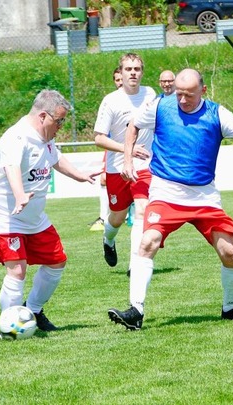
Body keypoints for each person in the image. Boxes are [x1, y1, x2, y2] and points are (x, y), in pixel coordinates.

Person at [108, 68, 233, 330]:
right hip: (166, 192)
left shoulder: (217, 113)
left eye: (189, 95)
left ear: (203, 91)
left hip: (204, 196)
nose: (182, 100)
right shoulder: (161, 105)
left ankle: (229, 309)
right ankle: (135, 311)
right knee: (147, 241)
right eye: (179, 94)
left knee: (230, 254)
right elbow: (133, 126)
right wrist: (126, 160)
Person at [0, 89, 98, 334]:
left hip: (34, 217)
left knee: (57, 262)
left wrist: (79, 175)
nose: (61, 126)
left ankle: (33, 310)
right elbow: (11, 166)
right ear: (43, 116)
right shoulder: (16, 137)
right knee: (17, 269)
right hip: (5, 214)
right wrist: (20, 194)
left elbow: (55, 158)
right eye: (59, 121)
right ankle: (9, 325)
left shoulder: (46, 137)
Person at [93, 53, 157, 271]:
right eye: (128, 69)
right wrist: (127, 149)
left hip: (145, 166)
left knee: (141, 210)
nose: (133, 73)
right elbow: (99, 138)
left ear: (142, 72)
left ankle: (135, 264)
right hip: (117, 167)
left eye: (137, 69)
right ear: (120, 72)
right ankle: (108, 240)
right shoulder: (111, 101)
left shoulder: (150, 94)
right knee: (117, 217)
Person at [90, 67, 124, 231]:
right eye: (117, 80)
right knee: (104, 180)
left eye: (121, 79)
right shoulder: (110, 102)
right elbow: (102, 137)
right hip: (116, 156)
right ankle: (104, 217)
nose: (120, 83)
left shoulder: (143, 98)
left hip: (140, 156)